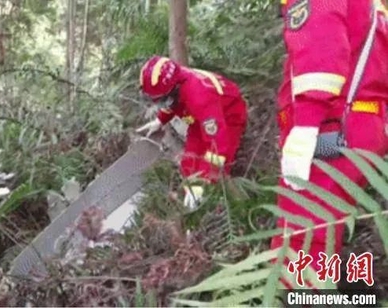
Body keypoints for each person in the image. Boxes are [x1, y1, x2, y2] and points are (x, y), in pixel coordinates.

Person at [271, 0, 388, 289]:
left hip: (331, 130)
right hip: (360, 124)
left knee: (303, 235)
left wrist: (306, 124)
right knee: (324, 225)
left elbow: (321, 52)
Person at [136, 56, 248, 209]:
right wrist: (160, 120)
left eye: (159, 99)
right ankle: (191, 202)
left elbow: (219, 145)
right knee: (188, 164)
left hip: (228, 117)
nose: (157, 104)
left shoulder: (199, 96)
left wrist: (203, 181)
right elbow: (172, 104)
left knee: (217, 169)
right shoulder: (177, 82)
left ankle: (221, 206)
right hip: (197, 119)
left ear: (173, 91)